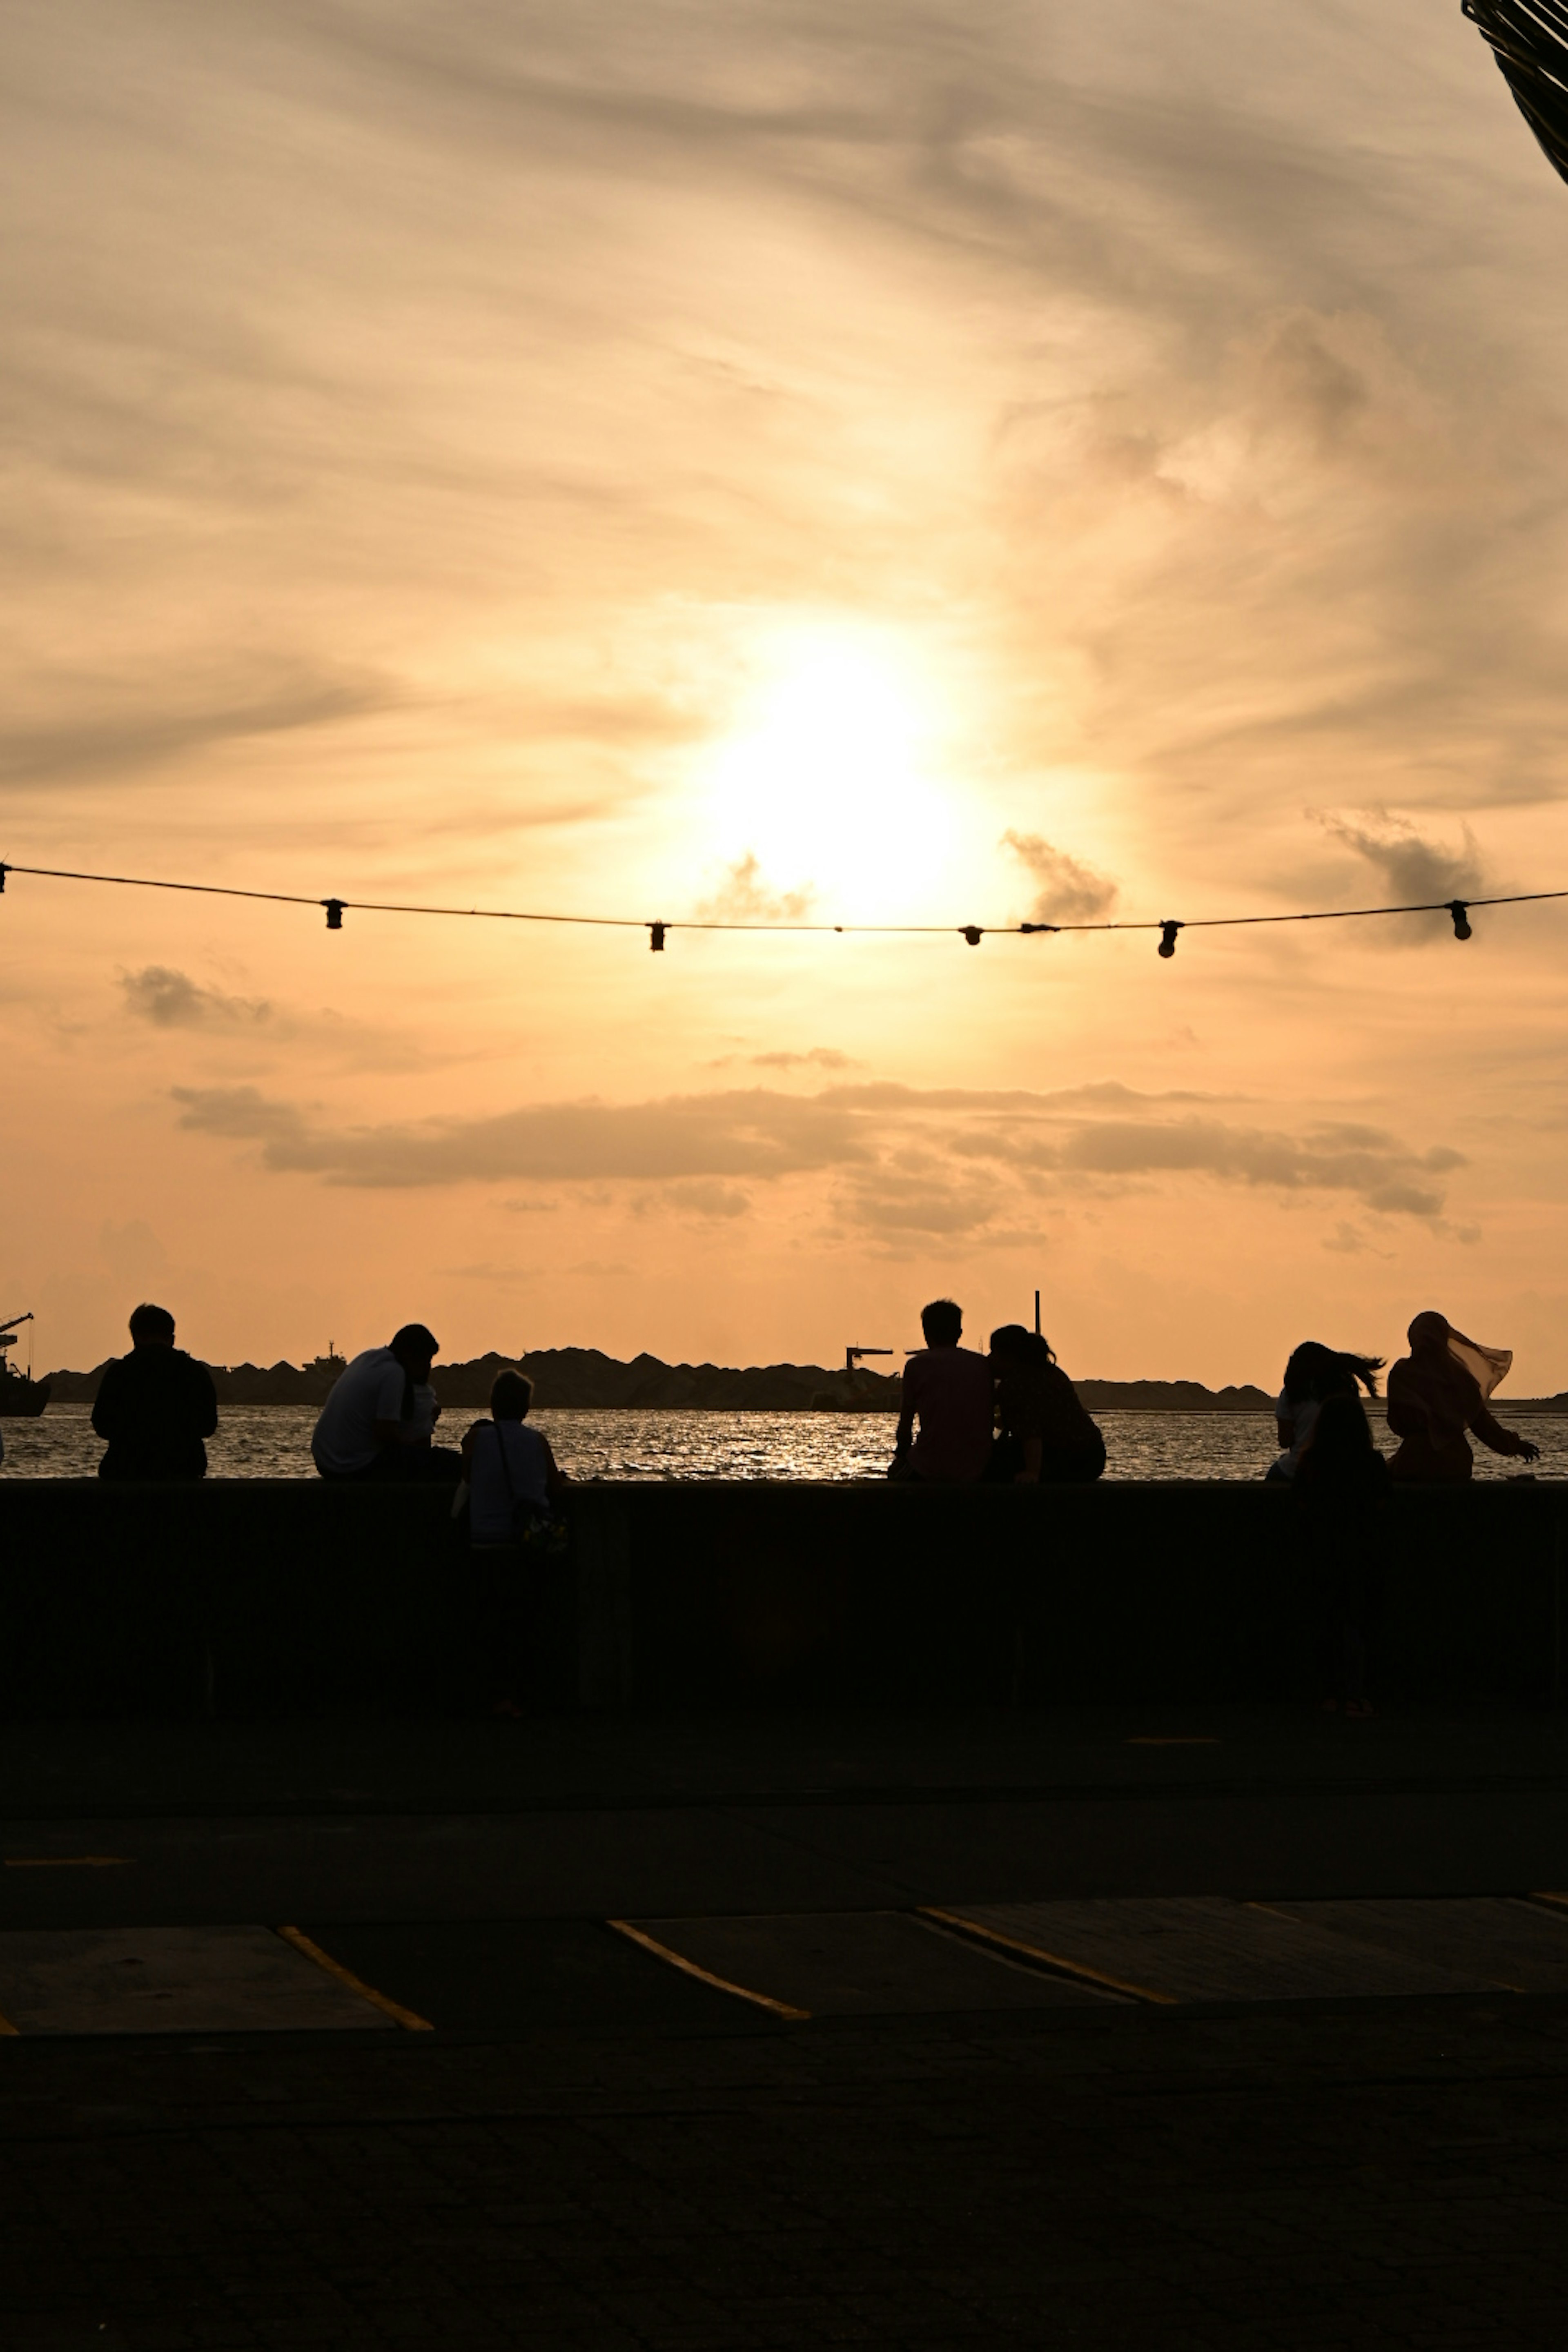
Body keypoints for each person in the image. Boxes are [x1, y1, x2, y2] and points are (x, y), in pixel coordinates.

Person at [1294, 1390, 1390, 1716]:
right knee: (1357, 1625)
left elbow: (1302, 1504)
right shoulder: (1372, 1463)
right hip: (1361, 1553)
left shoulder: (1310, 1464)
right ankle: (1355, 1695)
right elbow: (1381, 1503)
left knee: (1326, 1624)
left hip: (1322, 1553)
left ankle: (1328, 1695)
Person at [1385, 1311, 1540, 1483]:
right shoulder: (1459, 1377)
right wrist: (1515, 1446)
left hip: (1415, 1461)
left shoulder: (1402, 1374)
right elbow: (1484, 1427)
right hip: (1455, 1463)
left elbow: (1397, 1424)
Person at [310, 1324, 464, 1481]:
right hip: (352, 1467)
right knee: (450, 1462)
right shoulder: (394, 1373)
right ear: (410, 1356)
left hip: (326, 1463)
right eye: (425, 1360)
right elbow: (384, 1433)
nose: (428, 1368)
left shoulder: (367, 1358)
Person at [91, 1303, 218, 1481]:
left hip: (125, 1472)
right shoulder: (194, 1373)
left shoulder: (119, 1373)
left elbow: (102, 1425)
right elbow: (208, 1425)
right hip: (183, 1472)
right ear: (171, 1338)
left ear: (135, 1337)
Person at [889, 1299, 994, 1482]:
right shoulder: (982, 1365)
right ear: (959, 1333)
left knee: (896, 1475)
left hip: (929, 1464)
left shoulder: (916, 1366)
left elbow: (906, 1423)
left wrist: (902, 1455)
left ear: (926, 1332)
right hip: (977, 1465)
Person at [987, 1325, 1105, 1483]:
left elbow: (1031, 1433)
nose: (990, 1359)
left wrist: (1032, 1472)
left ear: (1010, 1356)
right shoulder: (1053, 1372)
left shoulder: (1017, 1384)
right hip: (1093, 1456)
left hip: (1066, 1460)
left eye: (994, 1353)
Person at [461, 1369, 568, 1544]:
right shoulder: (538, 1441)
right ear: (526, 1409)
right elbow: (556, 1488)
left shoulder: (475, 1438)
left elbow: (467, 1477)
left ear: (493, 1404)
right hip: (527, 1537)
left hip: (484, 1535)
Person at [1267, 1342, 1385, 1483]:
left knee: (1275, 1474)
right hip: (1347, 1469)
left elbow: (1285, 1441)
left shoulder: (1291, 1394)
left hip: (1301, 1469)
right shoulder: (1346, 1389)